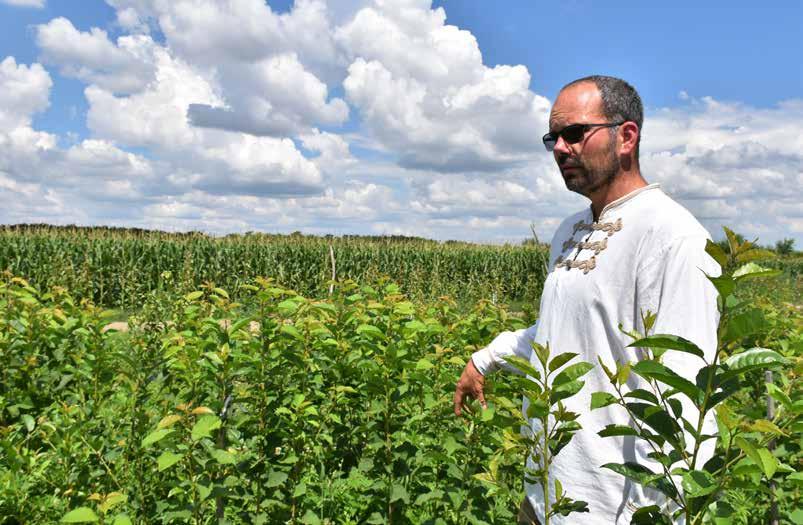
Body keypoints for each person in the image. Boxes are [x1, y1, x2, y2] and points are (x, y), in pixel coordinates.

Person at [453, 76, 720, 524]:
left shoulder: (674, 237)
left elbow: (687, 390)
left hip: (614, 506)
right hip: (547, 493)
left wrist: (653, 513)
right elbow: (563, 330)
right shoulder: (570, 230)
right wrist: (488, 358)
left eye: (574, 133)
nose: (560, 148)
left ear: (626, 137)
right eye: (552, 138)